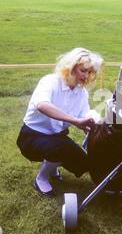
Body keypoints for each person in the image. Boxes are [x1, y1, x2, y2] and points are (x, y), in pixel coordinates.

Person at [17, 48, 103, 196]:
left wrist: (99, 122)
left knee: (84, 163)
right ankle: (41, 178)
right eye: (83, 70)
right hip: (31, 137)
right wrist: (75, 121)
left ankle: (51, 165)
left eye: (90, 72)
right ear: (71, 67)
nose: (86, 76)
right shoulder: (50, 81)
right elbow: (42, 105)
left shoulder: (81, 92)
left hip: (57, 137)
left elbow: (86, 114)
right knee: (62, 148)